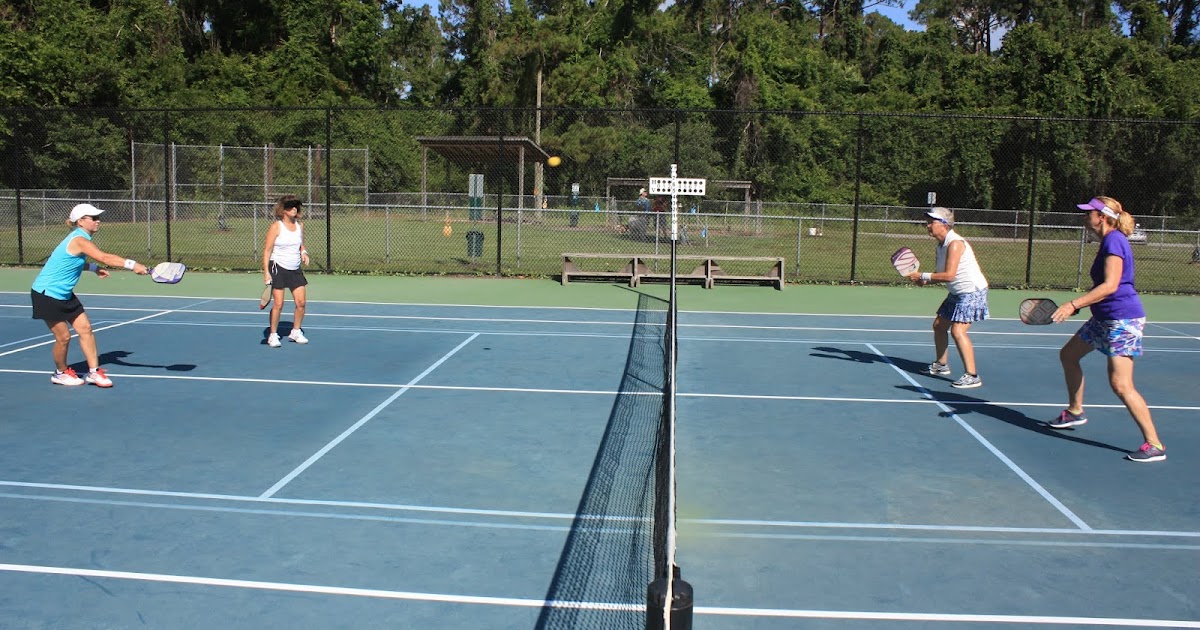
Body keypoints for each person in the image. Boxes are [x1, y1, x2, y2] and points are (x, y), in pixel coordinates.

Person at [1048, 196, 1165, 463]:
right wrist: (1083, 305)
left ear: (1102, 217)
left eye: (1088, 212)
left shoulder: (1114, 240)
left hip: (1122, 318)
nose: (1084, 216)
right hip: (1104, 317)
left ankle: (1154, 443)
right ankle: (1076, 411)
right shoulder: (1107, 241)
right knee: (1069, 355)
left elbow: (1111, 285)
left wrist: (1073, 303)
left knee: (1121, 385)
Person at [30, 203, 149, 387]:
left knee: (85, 329)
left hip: (65, 294)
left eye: (97, 217)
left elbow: (73, 262)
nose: (97, 221)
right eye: (93, 218)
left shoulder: (80, 239)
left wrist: (94, 268)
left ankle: (93, 373)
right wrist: (133, 265)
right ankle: (60, 373)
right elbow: (104, 257)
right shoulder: (79, 239)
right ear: (80, 221)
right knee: (63, 338)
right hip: (47, 294)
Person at [907, 207, 989, 388]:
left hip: (971, 291)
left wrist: (923, 276)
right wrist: (926, 281)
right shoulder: (940, 245)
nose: (928, 226)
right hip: (957, 292)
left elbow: (949, 275)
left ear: (944, 225)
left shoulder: (955, 243)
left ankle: (972, 375)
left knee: (958, 331)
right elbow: (941, 273)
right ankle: (941, 365)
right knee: (939, 325)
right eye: (927, 222)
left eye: (932, 222)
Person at [262, 195, 311, 348]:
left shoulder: (299, 225)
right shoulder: (276, 227)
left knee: (301, 303)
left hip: (295, 268)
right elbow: (267, 251)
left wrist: (304, 253)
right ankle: (273, 334)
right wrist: (266, 273)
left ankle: (295, 332)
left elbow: (301, 245)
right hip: (278, 267)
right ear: (283, 210)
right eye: (290, 206)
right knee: (278, 303)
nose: (294, 209)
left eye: (296, 206)